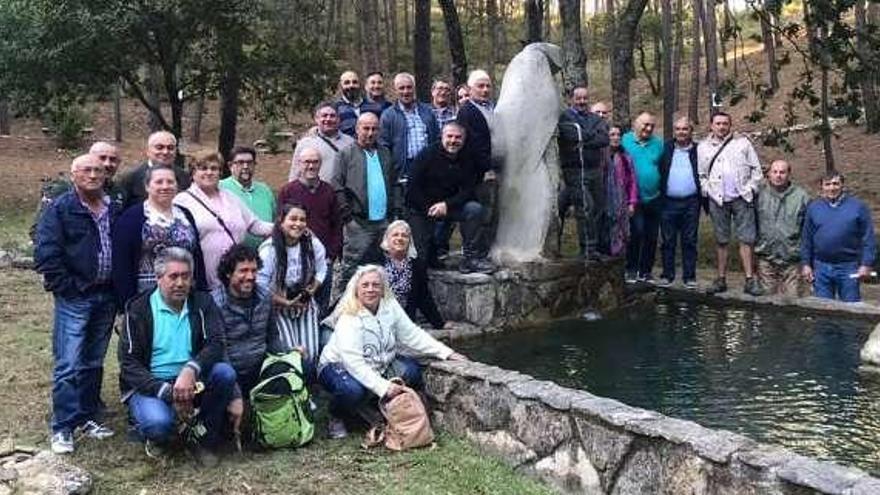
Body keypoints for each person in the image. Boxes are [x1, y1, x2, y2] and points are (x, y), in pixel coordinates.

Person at [118, 247, 238, 465]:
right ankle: (161, 432)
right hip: (152, 385)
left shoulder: (202, 302)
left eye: (186, 276)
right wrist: (167, 393)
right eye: (173, 276)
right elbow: (128, 363)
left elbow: (215, 343)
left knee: (225, 373)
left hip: (193, 381)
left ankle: (203, 439)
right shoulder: (137, 309)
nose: (180, 283)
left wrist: (191, 369)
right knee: (158, 424)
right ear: (158, 278)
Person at [318, 265, 467, 439]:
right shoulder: (349, 316)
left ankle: (372, 407)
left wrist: (446, 353)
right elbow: (353, 363)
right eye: (365, 285)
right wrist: (384, 387)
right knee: (351, 390)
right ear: (356, 290)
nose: (370, 289)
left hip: (379, 364)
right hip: (338, 366)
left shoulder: (390, 305)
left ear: (383, 289)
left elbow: (411, 333)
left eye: (376, 285)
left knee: (412, 371)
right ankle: (337, 416)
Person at [35, 154, 121, 454]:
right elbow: (46, 251)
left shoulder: (113, 207)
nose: (94, 175)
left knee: (93, 362)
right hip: (76, 296)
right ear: (74, 175)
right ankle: (62, 426)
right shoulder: (61, 208)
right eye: (87, 170)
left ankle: (86, 417)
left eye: (98, 170)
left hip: (106, 296)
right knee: (69, 363)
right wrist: (67, 288)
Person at [174, 150, 273, 290]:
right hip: (201, 280)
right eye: (203, 168)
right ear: (193, 172)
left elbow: (255, 224)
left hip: (235, 279)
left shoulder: (230, 197)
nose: (209, 172)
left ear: (220, 172)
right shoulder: (182, 201)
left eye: (214, 168)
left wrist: (284, 227)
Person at [112, 166, 207, 305]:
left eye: (170, 182)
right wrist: (127, 304)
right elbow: (122, 265)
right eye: (159, 182)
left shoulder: (185, 215)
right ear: (147, 186)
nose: (165, 186)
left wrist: (202, 293)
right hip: (146, 296)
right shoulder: (131, 218)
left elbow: (197, 256)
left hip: (185, 291)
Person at [407, 122, 492, 274]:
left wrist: (447, 204)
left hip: (449, 206)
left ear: (464, 140)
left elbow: (468, 190)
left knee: (474, 209)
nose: (453, 141)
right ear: (442, 137)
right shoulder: (427, 155)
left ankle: (470, 258)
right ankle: (432, 253)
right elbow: (412, 186)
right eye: (450, 136)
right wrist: (428, 209)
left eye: (458, 137)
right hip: (421, 207)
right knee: (421, 259)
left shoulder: (467, 158)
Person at [697, 112, 764, 296]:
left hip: (742, 197)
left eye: (725, 123)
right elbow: (701, 174)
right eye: (718, 123)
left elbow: (757, 171)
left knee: (747, 239)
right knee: (721, 240)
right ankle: (721, 279)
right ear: (711, 125)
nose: (721, 127)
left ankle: (750, 280)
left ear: (730, 125)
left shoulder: (742, 143)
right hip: (718, 199)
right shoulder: (703, 147)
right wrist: (707, 190)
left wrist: (750, 189)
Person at [258, 203, 328, 370]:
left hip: (304, 303)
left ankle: (309, 388)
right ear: (281, 221)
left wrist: (313, 289)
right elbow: (260, 285)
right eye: (293, 219)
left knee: (310, 354)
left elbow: (322, 269)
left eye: (302, 219)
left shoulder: (313, 244)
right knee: (291, 354)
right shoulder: (269, 249)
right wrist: (284, 302)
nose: (298, 224)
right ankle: (291, 390)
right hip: (278, 305)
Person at [330, 112, 397, 286]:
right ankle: (346, 308)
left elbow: (394, 183)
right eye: (366, 128)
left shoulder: (385, 153)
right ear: (357, 129)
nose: (370, 133)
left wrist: (394, 213)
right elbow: (337, 186)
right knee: (352, 269)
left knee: (384, 267)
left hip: (384, 222)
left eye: (374, 129)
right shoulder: (345, 154)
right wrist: (347, 218)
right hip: (358, 223)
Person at [278, 147, 342, 314]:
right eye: (307, 162)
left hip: (323, 260)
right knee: (297, 304)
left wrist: (331, 256)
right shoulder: (288, 191)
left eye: (315, 162)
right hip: (296, 262)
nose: (311, 166)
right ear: (299, 164)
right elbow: (280, 223)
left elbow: (337, 226)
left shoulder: (328, 191)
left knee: (320, 306)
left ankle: (318, 337)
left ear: (320, 164)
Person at [801, 171, 876, 302]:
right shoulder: (814, 208)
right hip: (821, 267)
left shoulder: (858, 207)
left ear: (842, 186)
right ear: (822, 187)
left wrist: (866, 264)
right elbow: (807, 238)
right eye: (827, 184)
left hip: (848, 266)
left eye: (836, 184)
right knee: (822, 309)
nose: (832, 188)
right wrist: (806, 264)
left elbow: (868, 238)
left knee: (850, 310)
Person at [212, 244, 276, 398]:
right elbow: (220, 351)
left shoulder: (265, 296)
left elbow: (273, 336)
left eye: (254, 270)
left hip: (261, 367)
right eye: (243, 271)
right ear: (228, 273)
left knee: (302, 366)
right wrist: (236, 394)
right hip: (232, 371)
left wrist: (290, 355)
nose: (250, 276)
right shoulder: (215, 303)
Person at [30, 141, 126, 241]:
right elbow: (39, 231)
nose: (107, 164)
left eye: (113, 160)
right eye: (102, 158)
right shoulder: (61, 189)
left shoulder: (118, 192)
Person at [556, 86, 610, 259]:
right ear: (572, 99)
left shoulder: (595, 117)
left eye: (585, 98)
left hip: (594, 169)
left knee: (599, 207)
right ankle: (587, 248)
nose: (582, 102)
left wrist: (582, 138)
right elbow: (570, 135)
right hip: (574, 170)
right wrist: (589, 134)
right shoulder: (565, 117)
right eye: (578, 98)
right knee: (585, 206)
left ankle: (595, 248)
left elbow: (604, 139)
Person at [362, 221, 448, 329]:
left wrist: (440, 324)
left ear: (409, 241)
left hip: (402, 322)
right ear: (387, 239)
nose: (400, 238)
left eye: (404, 236)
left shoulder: (416, 265)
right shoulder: (373, 259)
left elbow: (424, 297)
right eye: (395, 235)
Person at [457, 69, 498, 258]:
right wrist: (487, 167)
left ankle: (486, 251)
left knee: (491, 213)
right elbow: (471, 145)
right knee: (477, 213)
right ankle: (473, 255)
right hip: (476, 173)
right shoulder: (467, 111)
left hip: (495, 171)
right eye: (480, 86)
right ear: (470, 89)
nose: (485, 90)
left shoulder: (493, 108)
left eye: (488, 86)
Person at [755, 160, 810, 297]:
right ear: (769, 174)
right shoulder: (758, 194)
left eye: (782, 172)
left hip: (792, 261)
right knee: (766, 304)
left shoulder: (801, 197)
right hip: (766, 259)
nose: (778, 175)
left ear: (789, 174)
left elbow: (808, 230)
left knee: (793, 304)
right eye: (775, 172)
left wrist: (806, 261)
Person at [657, 117, 701, 289]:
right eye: (678, 129)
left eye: (685, 129)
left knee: (689, 240)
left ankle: (689, 276)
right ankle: (667, 275)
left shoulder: (698, 150)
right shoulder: (666, 149)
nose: (681, 132)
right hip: (668, 202)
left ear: (691, 131)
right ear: (674, 131)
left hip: (691, 202)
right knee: (668, 240)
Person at [621, 112, 663, 282]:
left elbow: (662, 166)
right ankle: (631, 268)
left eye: (651, 125)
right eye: (645, 124)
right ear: (636, 124)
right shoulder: (625, 141)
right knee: (636, 233)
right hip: (633, 198)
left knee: (652, 236)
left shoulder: (658, 144)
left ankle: (646, 271)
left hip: (654, 197)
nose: (648, 128)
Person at [379, 72, 440, 180]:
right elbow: (383, 146)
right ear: (395, 91)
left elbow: (437, 138)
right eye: (401, 88)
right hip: (403, 168)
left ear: (414, 89)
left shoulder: (428, 111)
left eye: (409, 87)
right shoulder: (388, 115)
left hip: (428, 165)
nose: (406, 92)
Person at [219, 146, 276, 249]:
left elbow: (275, 219)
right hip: (233, 256)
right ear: (230, 166)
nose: (245, 166)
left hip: (264, 253)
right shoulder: (221, 188)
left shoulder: (265, 190)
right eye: (240, 162)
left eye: (249, 162)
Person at [119, 131, 190, 208]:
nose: (165, 152)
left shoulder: (184, 176)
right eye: (159, 147)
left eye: (170, 148)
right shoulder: (131, 177)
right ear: (148, 151)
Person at [289, 101, 355, 182]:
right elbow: (295, 173)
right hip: (314, 193)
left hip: (343, 193)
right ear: (316, 119)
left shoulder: (350, 143)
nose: (328, 119)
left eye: (332, 116)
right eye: (324, 116)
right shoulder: (305, 143)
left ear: (338, 119)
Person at [603, 125, 638, 258]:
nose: (616, 138)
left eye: (618, 135)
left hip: (621, 203)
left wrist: (631, 202)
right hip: (604, 202)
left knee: (622, 234)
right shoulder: (601, 156)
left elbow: (632, 181)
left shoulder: (625, 157)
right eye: (612, 134)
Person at [335, 70, 384, 137]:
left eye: (354, 82)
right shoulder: (335, 108)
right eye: (347, 83)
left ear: (359, 85)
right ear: (341, 86)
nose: (351, 85)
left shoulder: (374, 106)